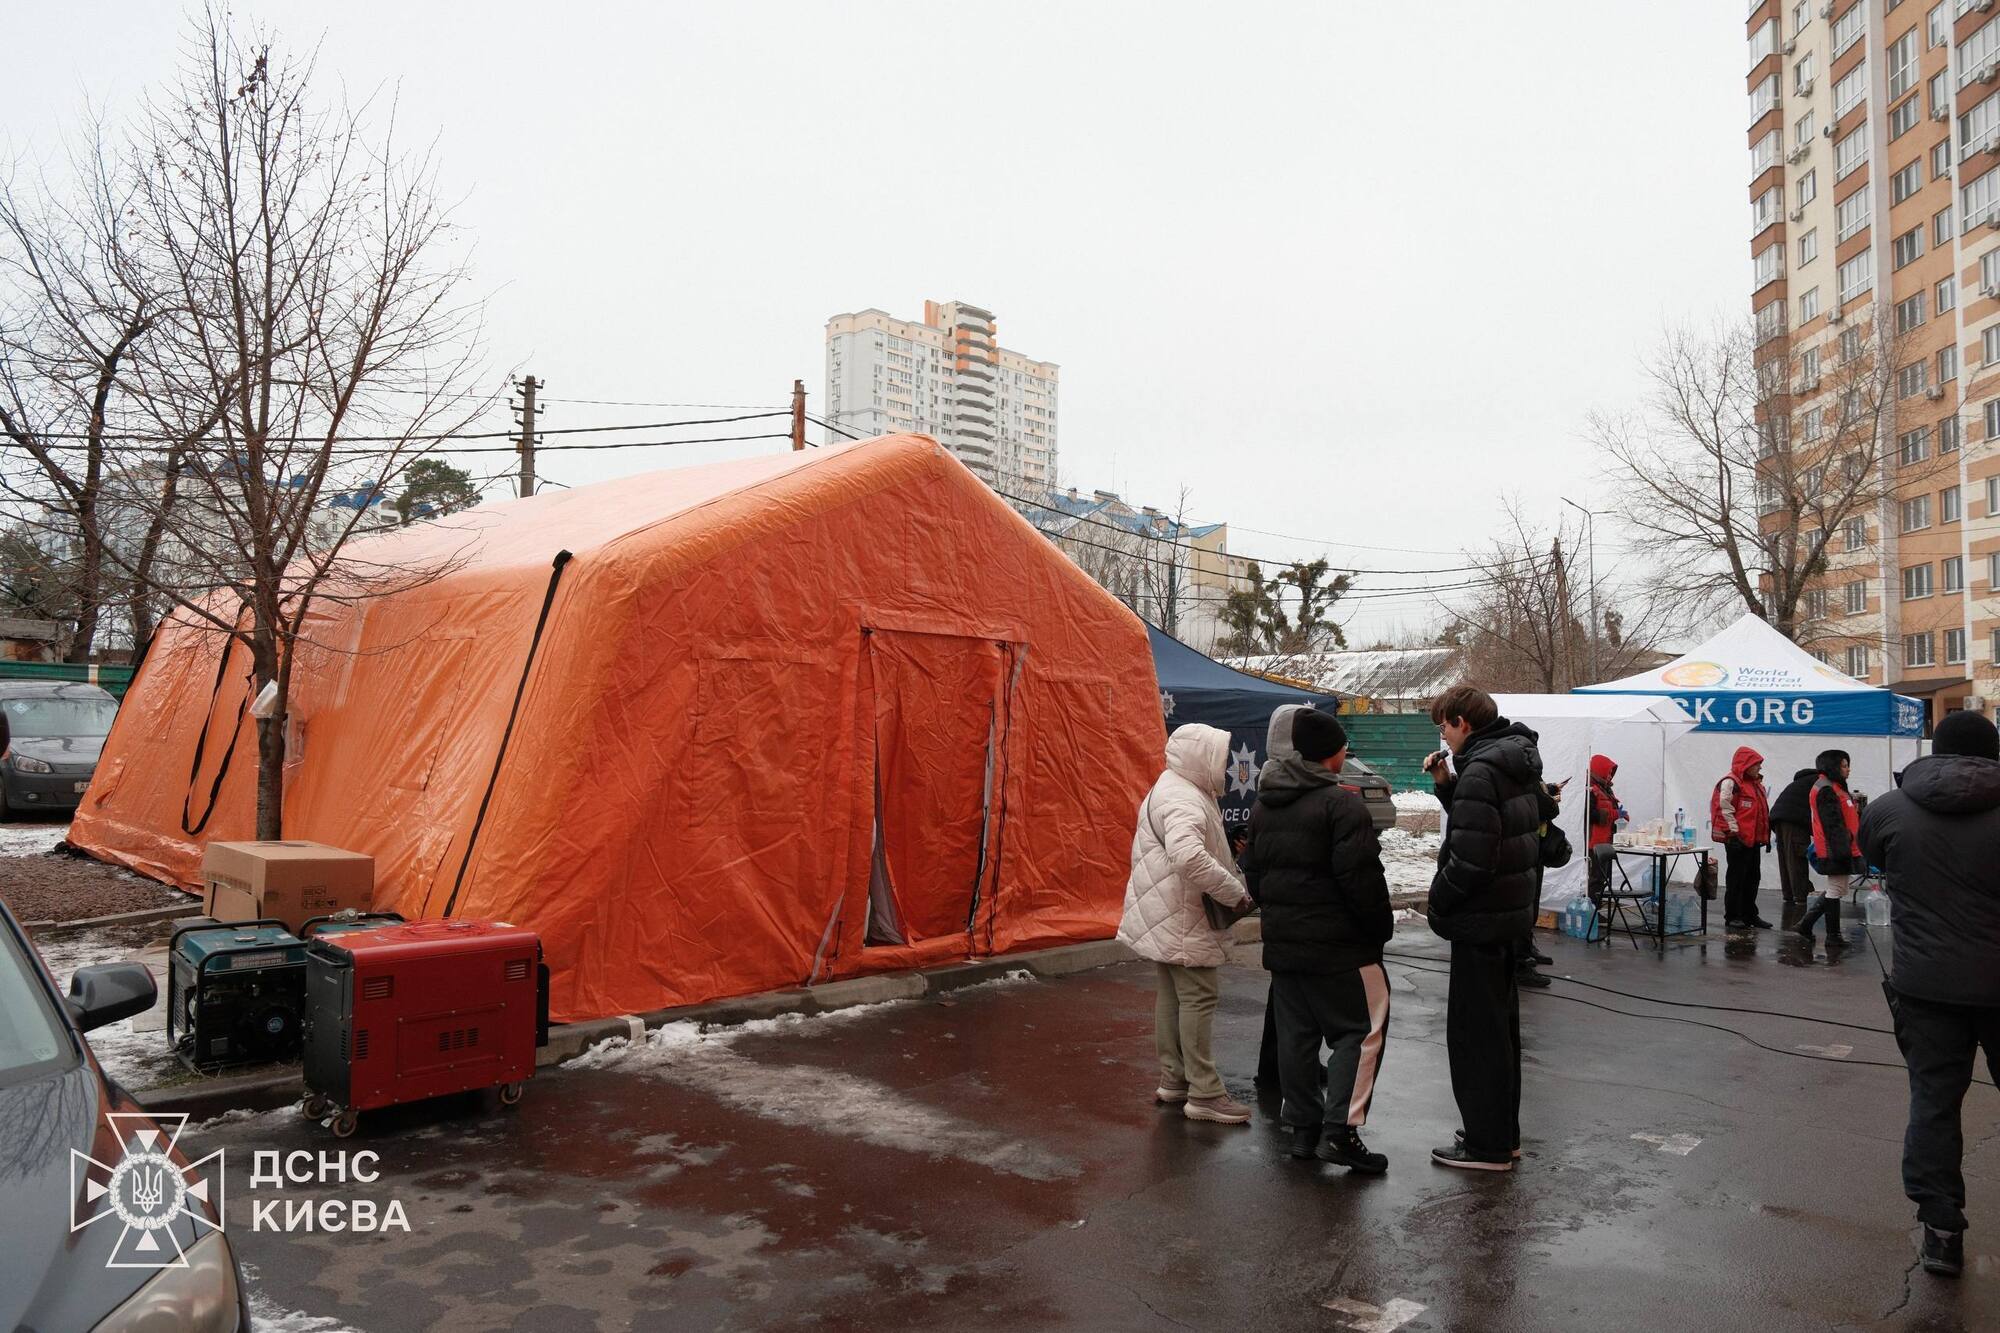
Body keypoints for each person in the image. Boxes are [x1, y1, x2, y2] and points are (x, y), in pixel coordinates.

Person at [1858, 710, 2000, 1280]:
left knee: (1935, 1103)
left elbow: (1874, 858)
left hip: (1925, 985)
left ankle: (1941, 1231)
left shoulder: (1888, 810)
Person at [1240, 707, 1393, 1172]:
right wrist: (1378, 931)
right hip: (1341, 949)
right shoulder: (1341, 806)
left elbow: (1254, 877)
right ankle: (1340, 1131)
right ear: (1331, 755)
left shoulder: (1264, 807)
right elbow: (1362, 883)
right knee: (1361, 1031)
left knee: (1297, 1038)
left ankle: (1303, 1130)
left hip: (1285, 947)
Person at [1422, 684, 1545, 1172]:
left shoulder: (1481, 769)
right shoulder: (1512, 761)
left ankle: (1486, 1145)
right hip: (1507, 917)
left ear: (1463, 722)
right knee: (1499, 1033)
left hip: (1481, 920)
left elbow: (1472, 859)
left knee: (1476, 1039)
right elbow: (1492, 826)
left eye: (1444, 726)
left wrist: (1437, 901)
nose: (1443, 736)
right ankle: (1500, 1135)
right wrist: (1447, 785)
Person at [1118, 722, 1257, 1124]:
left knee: (1173, 996)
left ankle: (1175, 1079)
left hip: (1169, 912)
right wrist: (1234, 892)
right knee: (1198, 997)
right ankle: (1205, 1092)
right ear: (1201, 757)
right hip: (1184, 915)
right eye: (1220, 756)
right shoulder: (1184, 798)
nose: (1226, 766)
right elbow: (1188, 856)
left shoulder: (1173, 787)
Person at [1795, 749, 1861, 946]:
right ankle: (1832, 936)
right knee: (1835, 889)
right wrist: (1844, 848)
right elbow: (1832, 824)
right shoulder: (1826, 788)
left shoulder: (1834, 786)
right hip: (1835, 848)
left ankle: (1806, 925)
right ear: (1833, 767)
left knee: (1839, 888)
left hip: (1841, 846)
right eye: (1844, 766)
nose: (1848, 769)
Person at [1710, 746, 1773, 929]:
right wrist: (1732, 834)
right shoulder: (1730, 783)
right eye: (1757, 764)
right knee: (1736, 879)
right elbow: (1723, 809)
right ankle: (1733, 916)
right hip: (1737, 840)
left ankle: (1750, 914)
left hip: (1752, 840)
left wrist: (1763, 836)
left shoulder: (1755, 784)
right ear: (1746, 764)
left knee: (1753, 878)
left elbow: (1759, 814)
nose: (1760, 768)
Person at [1768, 766, 1820, 918]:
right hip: (1794, 822)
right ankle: (1801, 896)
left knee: (1786, 859)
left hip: (1779, 820)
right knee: (1797, 858)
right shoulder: (1819, 781)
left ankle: (1789, 894)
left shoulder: (1800, 782)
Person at [1586, 755, 1625, 902]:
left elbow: (1613, 809)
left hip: (1606, 839)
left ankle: (1597, 907)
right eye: (1608, 772)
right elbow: (1589, 814)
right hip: (1594, 841)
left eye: (1611, 773)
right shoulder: (1590, 789)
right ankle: (1592, 909)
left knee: (1603, 877)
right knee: (1596, 878)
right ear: (1599, 770)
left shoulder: (1606, 788)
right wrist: (1614, 814)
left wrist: (1621, 815)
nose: (1609, 776)